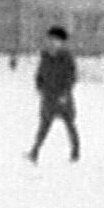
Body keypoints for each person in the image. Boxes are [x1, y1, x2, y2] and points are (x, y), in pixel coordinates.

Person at [28, 24, 81, 162]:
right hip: (48, 97)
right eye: (50, 39)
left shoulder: (67, 57)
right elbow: (40, 74)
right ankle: (34, 151)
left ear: (62, 42)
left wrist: (65, 92)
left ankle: (75, 151)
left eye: (55, 40)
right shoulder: (45, 56)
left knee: (70, 124)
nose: (52, 42)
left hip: (62, 97)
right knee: (44, 125)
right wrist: (39, 86)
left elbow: (72, 76)